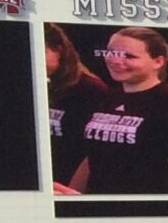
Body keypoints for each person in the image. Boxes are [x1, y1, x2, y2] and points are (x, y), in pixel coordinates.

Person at [68, 25, 168, 195]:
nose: (115, 61)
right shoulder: (106, 97)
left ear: (158, 61)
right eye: (111, 53)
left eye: (128, 56)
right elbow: (93, 156)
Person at [43, 21, 115, 189]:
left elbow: (94, 151)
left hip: (68, 186)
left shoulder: (90, 90)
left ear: (59, 50)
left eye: (42, 51)